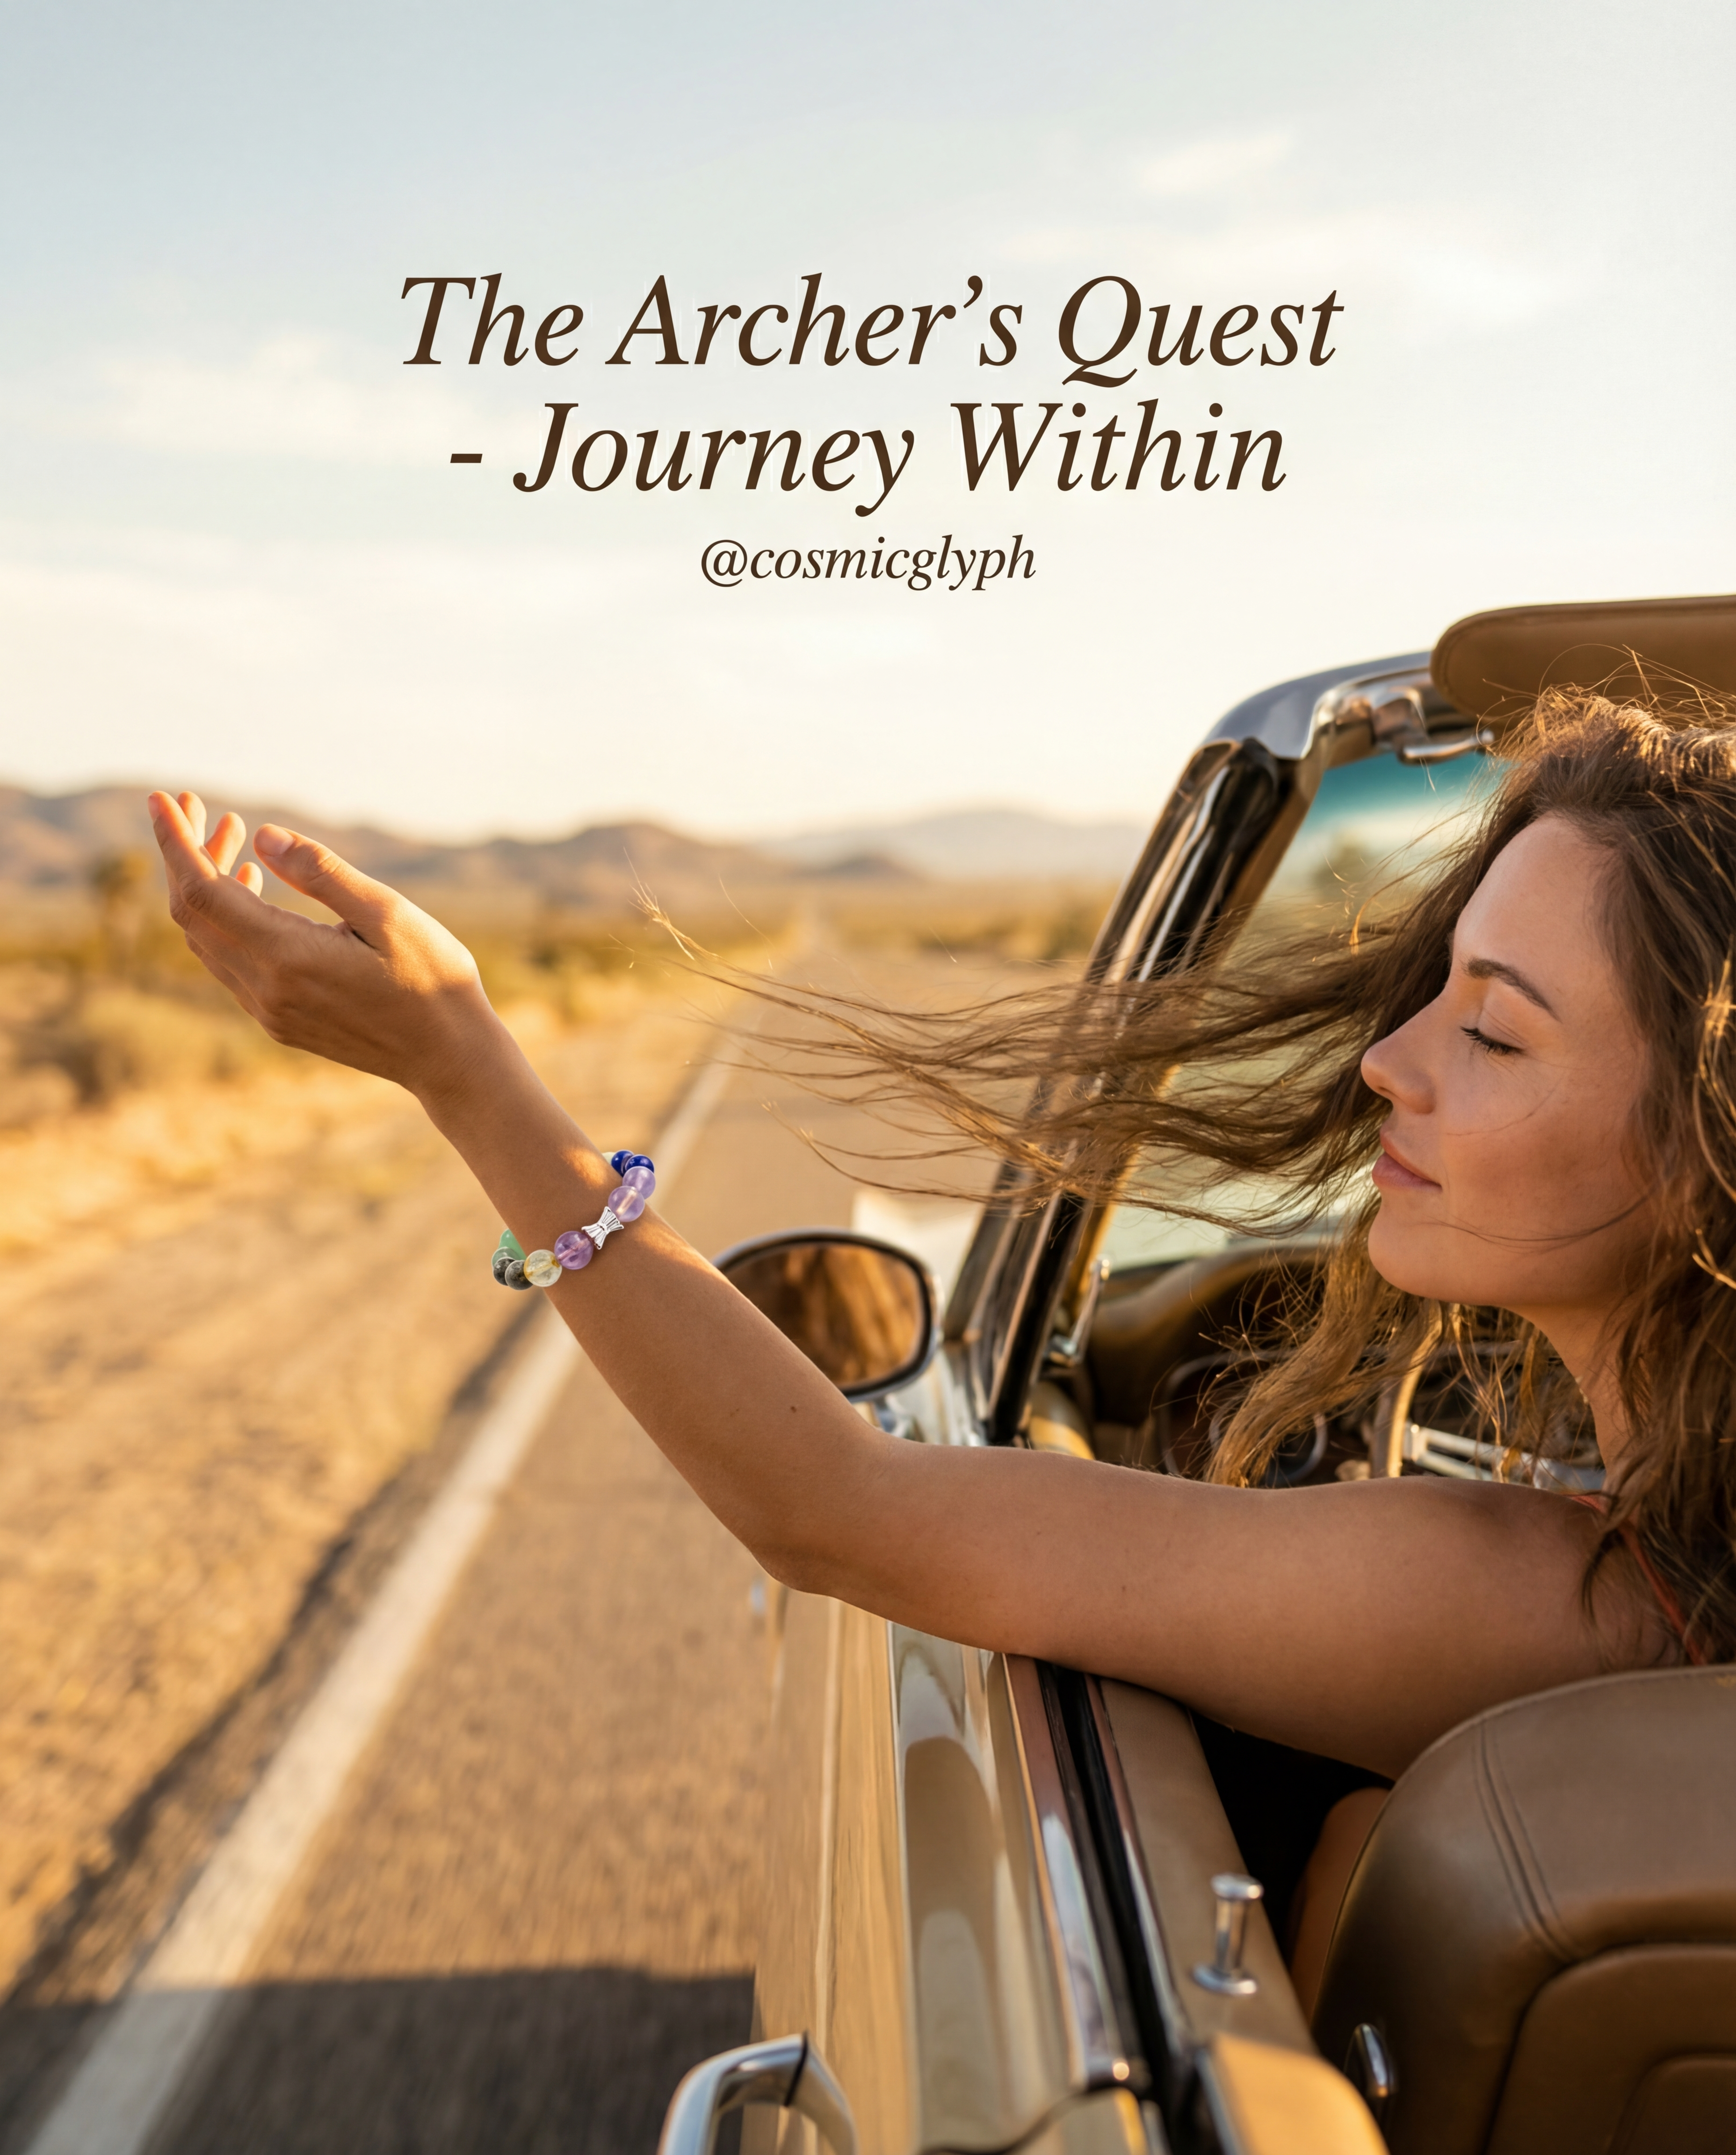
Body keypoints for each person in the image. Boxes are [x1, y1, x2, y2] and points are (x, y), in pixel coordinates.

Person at [145, 688, 1730, 1822]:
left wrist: (462, 1071)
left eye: (1494, 1034)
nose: (1388, 1060)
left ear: (1709, 1148)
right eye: (1431, 991)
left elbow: (835, 1509)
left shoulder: (1579, 1611)